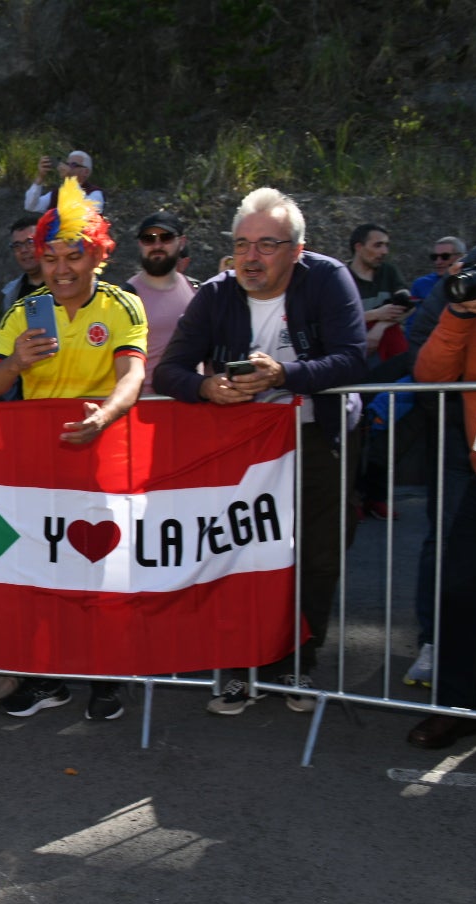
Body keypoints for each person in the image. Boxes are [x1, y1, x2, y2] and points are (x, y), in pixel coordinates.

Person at [155, 187, 368, 715]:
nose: (251, 257)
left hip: (318, 435)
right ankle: (239, 664)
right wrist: (206, 387)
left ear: (297, 250)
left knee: (317, 553)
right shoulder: (216, 293)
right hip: (244, 448)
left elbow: (352, 358)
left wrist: (284, 374)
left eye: (266, 245)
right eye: (241, 244)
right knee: (241, 553)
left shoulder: (329, 278)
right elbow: (169, 370)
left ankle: (299, 660)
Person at [0, 177, 148, 721]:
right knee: (41, 571)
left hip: (104, 459)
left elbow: (132, 376)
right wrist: (16, 364)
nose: (61, 269)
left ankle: (107, 678)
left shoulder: (123, 306)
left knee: (103, 572)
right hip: (39, 468)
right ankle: (45, 678)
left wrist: (104, 415)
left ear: (97, 254)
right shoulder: (22, 312)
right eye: (50, 257)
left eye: (73, 255)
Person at [408, 285, 476, 753]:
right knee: (460, 592)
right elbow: (430, 373)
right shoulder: (475, 305)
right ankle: (458, 708)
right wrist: (459, 313)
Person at [125, 211, 198, 392]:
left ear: (181, 242)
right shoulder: (125, 297)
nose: (157, 245)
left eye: (166, 238)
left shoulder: (197, 291)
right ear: (140, 244)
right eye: (148, 239)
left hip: (190, 399)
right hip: (144, 401)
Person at [24, 150, 104, 215]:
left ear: (86, 172)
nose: (68, 167)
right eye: (67, 164)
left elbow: (88, 212)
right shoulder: (57, 192)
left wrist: (70, 180)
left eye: (73, 165)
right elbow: (31, 206)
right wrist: (40, 177)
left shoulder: (95, 192)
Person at [0, 213, 46, 312]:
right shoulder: (11, 294)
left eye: (30, 242)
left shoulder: (64, 285)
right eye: (17, 245)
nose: (24, 250)